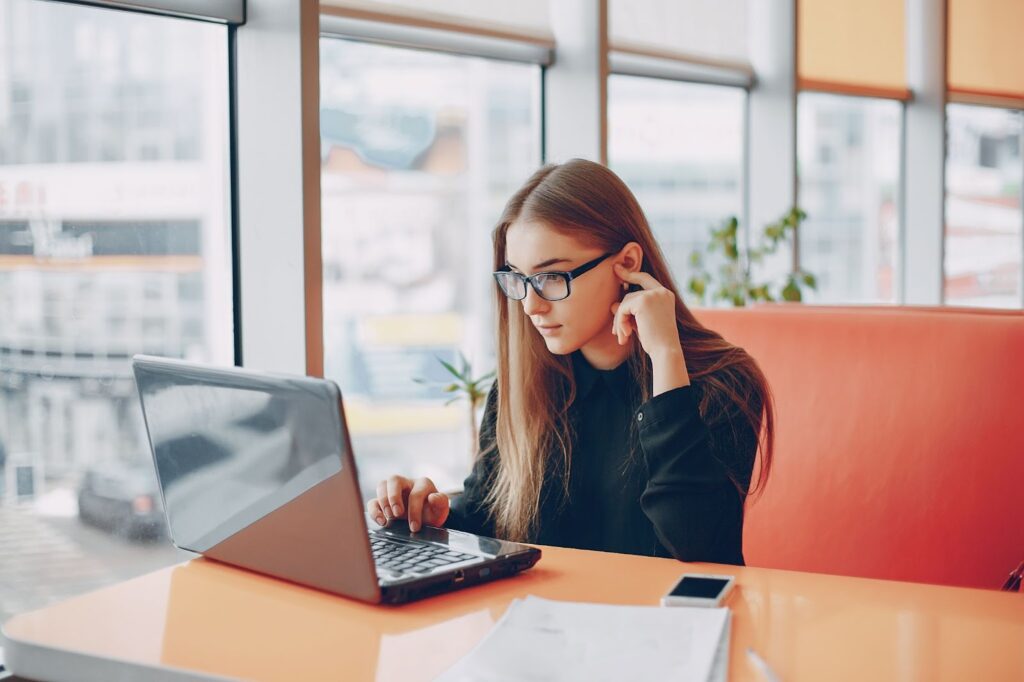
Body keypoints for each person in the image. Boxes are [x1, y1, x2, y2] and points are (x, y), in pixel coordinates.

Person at [365, 159, 775, 565]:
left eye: (550, 277)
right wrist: (431, 516)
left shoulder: (722, 383)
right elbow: (489, 520)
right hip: (544, 623)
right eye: (518, 280)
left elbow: (697, 545)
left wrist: (666, 357)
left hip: (664, 625)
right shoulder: (527, 384)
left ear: (628, 264)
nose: (531, 305)